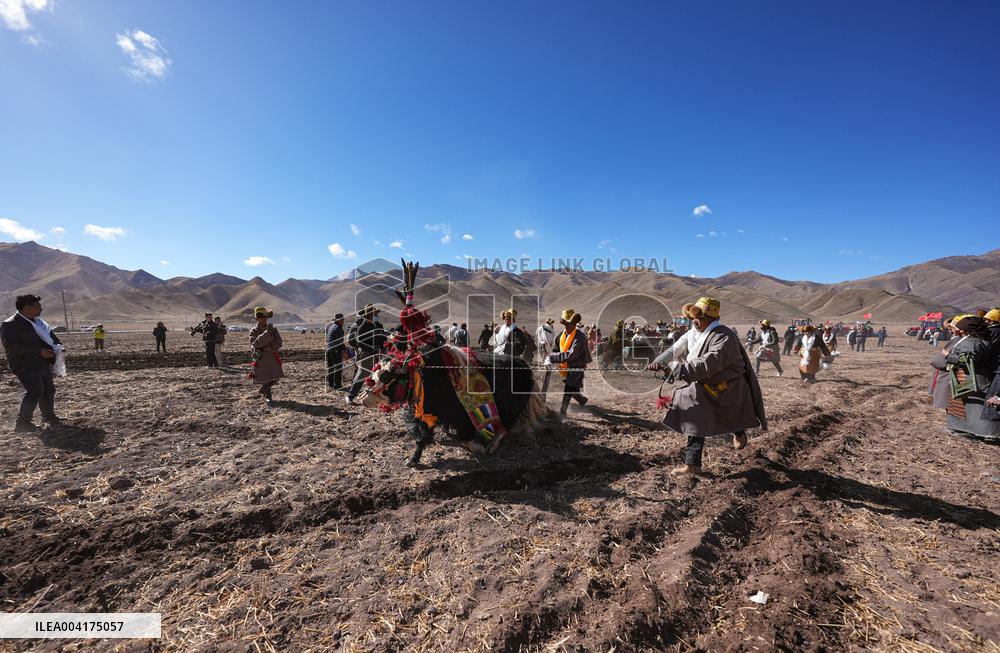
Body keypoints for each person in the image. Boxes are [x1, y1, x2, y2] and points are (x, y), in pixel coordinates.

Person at [649, 297, 766, 477]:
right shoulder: (692, 333)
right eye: (693, 317)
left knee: (728, 415)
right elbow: (675, 350)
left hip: (727, 388)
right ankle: (693, 465)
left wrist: (676, 368)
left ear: (712, 318)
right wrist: (658, 362)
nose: (694, 321)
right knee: (695, 416)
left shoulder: (725, 336)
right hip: (703, 385)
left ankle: (739, 432)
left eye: (699, 317)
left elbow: (708, 363)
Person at [1, 295, 64, 432]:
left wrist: (58, 347)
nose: (41, 308)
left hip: (42, 363)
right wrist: (38, 351)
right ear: (27, 308)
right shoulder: (10, 324)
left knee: (49, 390)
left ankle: (48, 417)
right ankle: (22, 423)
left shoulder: (39, 322)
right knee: (35, 391)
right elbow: (12, 346)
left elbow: (50, 337)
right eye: (37, 306)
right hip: (24, 365)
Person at [545, 309, 592, 417]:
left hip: (578, 365)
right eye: (565, 323)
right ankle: (582, 400)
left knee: (569, 386)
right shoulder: (561, 335)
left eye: (569, 324)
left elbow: (571, 354)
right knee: (573, 388)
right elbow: (556, 349)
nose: (566, 326)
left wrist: (552, 358)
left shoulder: (580, 337)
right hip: (566, 366)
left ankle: (562, 412)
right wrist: (550, 357)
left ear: (575, 324)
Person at [346, 304, 386, 404]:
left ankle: (374, 398)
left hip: (378, 354)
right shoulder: (363, 327)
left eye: (376, 314)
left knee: (378, 376)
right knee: (362, 375)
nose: (376, 315)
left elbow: (382, 338)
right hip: (367, 354)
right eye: (374, 314)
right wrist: (372, 349)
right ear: (369, 315)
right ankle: (350, 396)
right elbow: (361, 342)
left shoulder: (378, 325)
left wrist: (382, 347)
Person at [249, 306, 283, 405]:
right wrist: (267, 334)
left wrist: (266, 346)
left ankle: (264, 389)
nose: (263, 319)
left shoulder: (274, 330)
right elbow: (255, 343)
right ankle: (269, 397)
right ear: (257, 318)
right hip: (261, 359)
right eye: (261, 317)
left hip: (272, 357)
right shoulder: (253, 331)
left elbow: (279, 343)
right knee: (265, 379)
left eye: (264, 317)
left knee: (276, 377)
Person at [325, 313, 347, 390]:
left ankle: (331, 384)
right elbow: (339, 341)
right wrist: (345, 349)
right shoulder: (338, 328)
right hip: (335, 350)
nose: (343, 321)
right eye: (342, 320)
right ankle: (337, 385)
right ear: (339, 320)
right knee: (338, 368)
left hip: (329, 349)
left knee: (331, 367)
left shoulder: (332, 327)